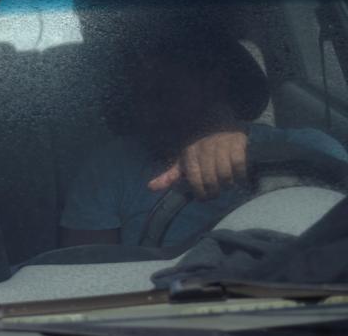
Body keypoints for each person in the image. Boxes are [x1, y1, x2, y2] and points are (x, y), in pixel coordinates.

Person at [60, 40, 347, 248]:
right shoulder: (109, 168)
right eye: (137, 98)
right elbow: (85, 275)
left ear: (215, 82)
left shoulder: (309, 150)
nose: (146, 113)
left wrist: (249, 156)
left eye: (164, 93)